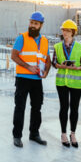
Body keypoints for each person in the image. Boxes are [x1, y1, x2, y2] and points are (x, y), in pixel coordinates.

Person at [10, 11, 50, 147]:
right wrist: (28, 67)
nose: (32, 25)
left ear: (41, 25)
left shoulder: (44, 41)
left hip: (37, 80)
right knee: (20, 107)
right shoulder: (22, 38)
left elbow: (48, 60)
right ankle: (17, 136)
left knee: (37, 108)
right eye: (31, 22)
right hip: (22, 79)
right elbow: (14, 56)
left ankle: (34, 134)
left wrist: (46, 72)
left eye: (35, 23)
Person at [51, 19, 81, 148]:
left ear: (73, 32)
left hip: (77, 83)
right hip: (62, 82)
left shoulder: (80, 47)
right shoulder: (57, 47)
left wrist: (78, 68)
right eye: (63, 30)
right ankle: (63, 134)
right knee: (64, 108)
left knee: (74, 108)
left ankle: (73, 134)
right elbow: (54, 63)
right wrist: (59, 65)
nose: (64, 32)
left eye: (67, 30)